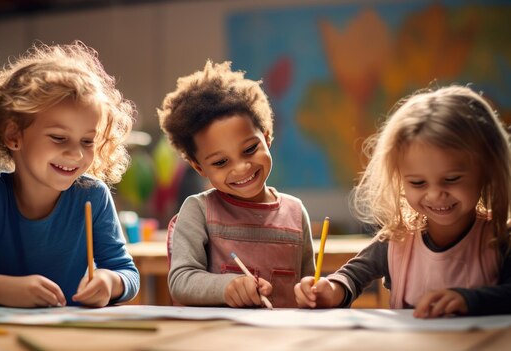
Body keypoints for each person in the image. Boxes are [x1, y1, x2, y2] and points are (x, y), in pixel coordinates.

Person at [0, 41, 140, 307]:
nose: (77, 154)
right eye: (59, 138)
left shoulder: (93, 195)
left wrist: (110, 282)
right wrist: (2, 289)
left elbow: (127, 273)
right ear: (14, 136)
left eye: (87, 141)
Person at [294, 85, 511, 317]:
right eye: (418, 183)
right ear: (399, 180)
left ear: (486, 171)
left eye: (452, 179)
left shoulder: (500, 239)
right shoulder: (396, 239)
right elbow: (351, 276)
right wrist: (330, 290)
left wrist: (469, 300)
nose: (436, 194)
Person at [158, 60, 315, 308]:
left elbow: (308, 283)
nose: (242, 167)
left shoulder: (296, 212)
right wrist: (227, 287)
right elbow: (181, 281)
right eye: (220, 162)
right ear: (200, 168)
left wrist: (314, 292)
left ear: (267, 137)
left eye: (250, 149)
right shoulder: (198, 211)